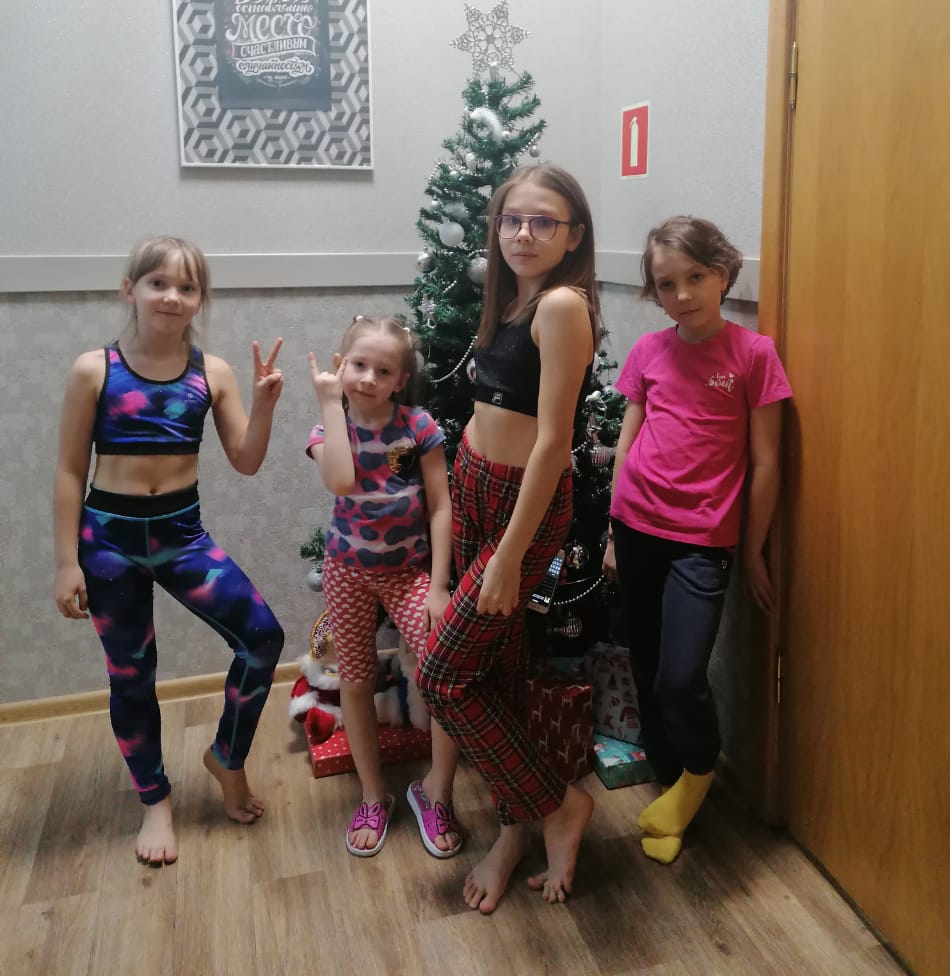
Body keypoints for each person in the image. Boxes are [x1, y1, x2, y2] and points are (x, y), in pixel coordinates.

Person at [53, 235, 286, 867]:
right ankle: (155, 800)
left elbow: (245, 460)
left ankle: (226, 758)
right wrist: (66, 562)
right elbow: (70, 471)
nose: (172, 297)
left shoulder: (213, 372)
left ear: (200, 299)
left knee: (263, 638)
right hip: (109, 543)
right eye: (158, 283)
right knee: (132, 676)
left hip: (182, 535)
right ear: (129, 289)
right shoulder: (94, 370)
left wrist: (264, 407)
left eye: (187, 287)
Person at [416, 163, 598, 915]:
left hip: (525, 506)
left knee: (442, 677)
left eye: (543, 221)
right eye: (512, 220)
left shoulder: (562, 304)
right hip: (479, 485)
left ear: (573, 235)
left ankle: (558, 804)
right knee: (497, 672)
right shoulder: (515, 298)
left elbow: (554, 442)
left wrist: (512, 558)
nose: (524, 233)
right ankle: (516, 830)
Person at [602, 215, 792, 864]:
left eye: (696, 277)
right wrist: (611, 530)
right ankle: (667, 781)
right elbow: (627, 441)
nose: (682, 294)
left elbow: (767, 463)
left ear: (724, 272)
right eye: (666, 284)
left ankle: (698, 774)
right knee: (646, 664)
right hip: (634, 525)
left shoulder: (754, 355)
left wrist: (753, 549)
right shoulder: (649, 352)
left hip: (701, 541)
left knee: (682, 678)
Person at [307, 315, 462, 859]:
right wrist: (331, 404)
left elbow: (440, 506)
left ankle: (436, 793)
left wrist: (438, 587)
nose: (369, 378)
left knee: (444, 671)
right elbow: (340, 480)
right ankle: (373, 796)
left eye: (383, 370)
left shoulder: (418, 426)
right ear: (339, 366)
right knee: (355, 680)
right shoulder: (328, 429)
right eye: (358, 365)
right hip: (347, 572)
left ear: (401, 380)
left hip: (409, 574)